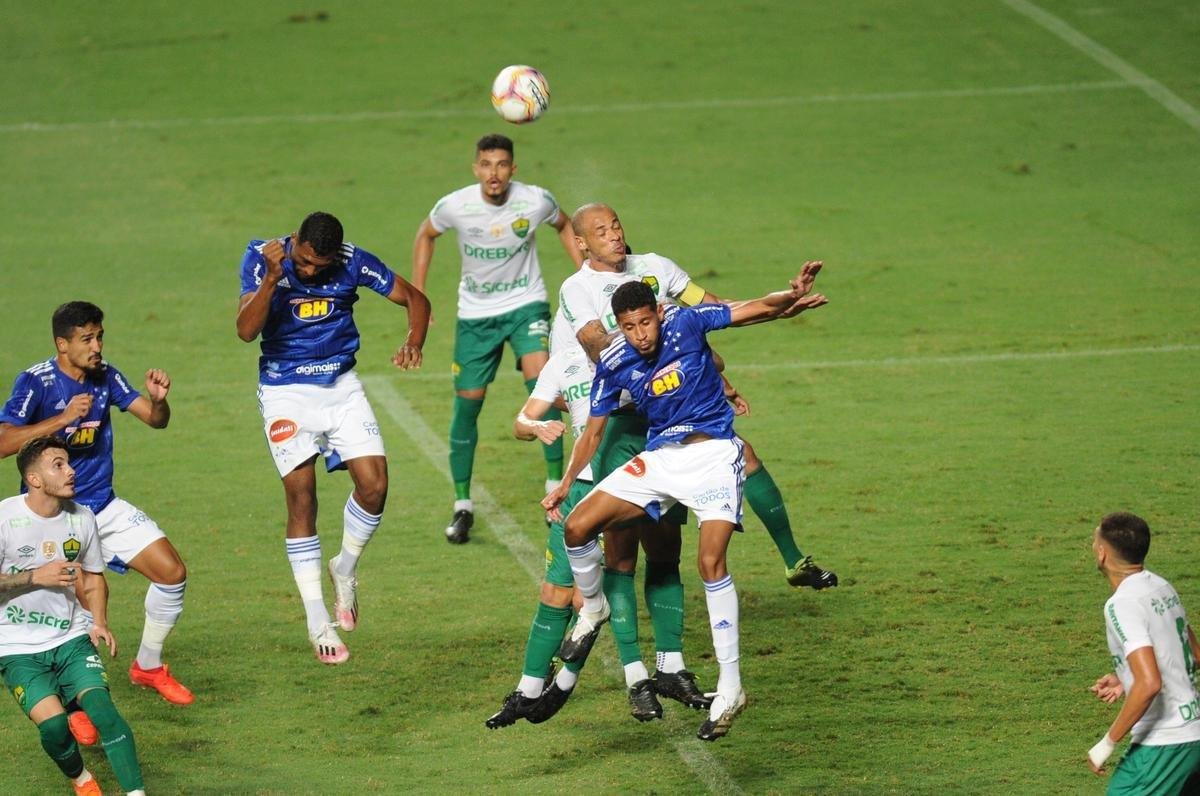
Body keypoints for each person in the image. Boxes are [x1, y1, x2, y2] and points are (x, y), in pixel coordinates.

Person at [544, 272, 828, 741]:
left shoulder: (686, 323)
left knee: (709, 561)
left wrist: (787, 297)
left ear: (657, 313)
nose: (641, 335)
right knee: (577, 527)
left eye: (645, 323)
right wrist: (566, 482)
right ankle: (592, 609)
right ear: (619, 325)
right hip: (661, 459)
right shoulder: (614, 359)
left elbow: (750, 308)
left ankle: (730, 687)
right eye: (630, 327)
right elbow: (592, 431)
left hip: (715, 454)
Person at [555, 203, 836, 590]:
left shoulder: (657, 265)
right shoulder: (577, 289)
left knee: (726, 478)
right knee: (621, 548)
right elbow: (597, 347)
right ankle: (592, 616)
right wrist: (662, 333)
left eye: (617, 226)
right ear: (582, 243)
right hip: (621, 414)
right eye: (602, 231)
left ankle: (793, 561)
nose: (615, 235)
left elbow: (712, 308)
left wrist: (779, 306)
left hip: (675, 407)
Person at [237, 211, 430, 664]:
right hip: (286, 392)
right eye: (302, 261)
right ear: (296, 240)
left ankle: (344, 566)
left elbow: (416, 299)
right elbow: (246, 331)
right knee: (302, 497)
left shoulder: (352, 262)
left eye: (317, 267)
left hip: (341, 387)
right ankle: (316, 618)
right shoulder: (262, 256)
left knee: (375, 485)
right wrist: (272, 278)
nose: (307, 271)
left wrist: (414, 340)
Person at [486, 337, 709, 728]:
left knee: (646, 564)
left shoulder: (636, 354)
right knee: (559, 592)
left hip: (647, 472)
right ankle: (532, 689)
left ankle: (647, 673)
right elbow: (523, 421)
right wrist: (536, 428)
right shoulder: (563, 362)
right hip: (582, 488)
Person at [0, 300, 193, 720]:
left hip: (103, 506)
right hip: (53, 518)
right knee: (74, 614)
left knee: (172, 574)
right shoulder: (36, 382)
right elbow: (2, 442)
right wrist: (60, 421)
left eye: (99, 336)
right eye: (87, 338)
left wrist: (159, 402)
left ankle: (148, 665)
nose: (97, 346)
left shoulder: (106, 376)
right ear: (62, 344)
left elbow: (154, 419)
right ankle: (74, 707)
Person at [412, 133, 584, 544]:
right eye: (486, 165)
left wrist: (585, 275)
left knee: (542, 382)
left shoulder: (535, 200)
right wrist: (419, 295)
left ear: (513, 169)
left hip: (527, 305)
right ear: (476, 168)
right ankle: (462, 504)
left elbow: (565, 226)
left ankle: (554, 488)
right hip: (475, 316)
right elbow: (425, 235)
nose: (494, 173)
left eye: (502, 165)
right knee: (468, 404)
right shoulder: (455, 205)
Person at [0, 436, 147, 795]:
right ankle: (81, 778)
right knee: (53, 729)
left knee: (104, 711)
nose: (71, 471)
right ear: (34, 480)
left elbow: (94, 576)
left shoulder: (82, 519)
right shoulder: (4, 518)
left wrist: (98, 621)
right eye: (59, 465)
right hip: (15, 645)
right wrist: (36, 576)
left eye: (68, 462)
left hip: (70, 636)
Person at [1086, 512, 1200, 792]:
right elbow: (1194, 655)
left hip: (1164, 746)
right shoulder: (1162, 587)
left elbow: (1149, 683)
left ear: (1102, 554)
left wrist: (1107, 743)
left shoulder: (1122, 604)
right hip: (1194, 734)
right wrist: (1125, 675)